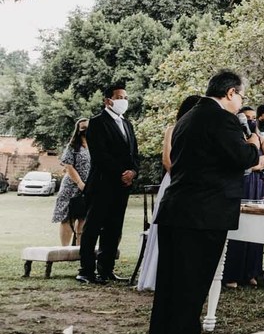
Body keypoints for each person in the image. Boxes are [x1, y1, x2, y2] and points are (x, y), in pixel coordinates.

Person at [147, 70, 264, 334]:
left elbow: (209, 162)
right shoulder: (221, 118)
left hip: (178, 210)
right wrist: (253, 145)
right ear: (230, 93)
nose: (240, 103)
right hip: (203, 214)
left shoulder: (189, 116)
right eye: (240, 96)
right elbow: (241, 157)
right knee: (192, 285)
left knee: (171, 284)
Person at [138, 95, 204, 292]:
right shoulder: (172, 130)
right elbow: (167, 160)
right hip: (175, 180)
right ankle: (157, 276)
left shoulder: (202, 132)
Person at [77, 82, 140, 285]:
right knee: (93, 228)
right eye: (119, 97)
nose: (123, 101)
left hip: (122, 187)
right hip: (103, 183)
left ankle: (106, 269)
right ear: (108, 100)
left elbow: (134, 154)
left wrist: (133, 172)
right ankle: (86, 270)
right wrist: (120, 173)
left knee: (114, 229)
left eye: (125, 98)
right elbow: (100, 155)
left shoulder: (127, 124)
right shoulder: (97, 122)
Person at [223, 101, 264, 289]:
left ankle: (251, 272)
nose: (251, 121)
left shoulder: (258, 137)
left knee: (255, 229)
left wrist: (259, 162)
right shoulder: (235, 137)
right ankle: (232, 273)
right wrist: (255, 164)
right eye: (247, 118)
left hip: (257, 184)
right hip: (241, 183)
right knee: (238, 228)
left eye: (253, 118)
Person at [53, 119, 91, 245]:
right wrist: (80, 184)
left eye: (88, 127)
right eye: (83, 128)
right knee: (68, 218)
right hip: (71, 187)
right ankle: (64, 249)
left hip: (88, 188)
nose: (86, 130)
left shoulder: (97, 146)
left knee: (84, 218)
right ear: (78, 130)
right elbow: (68, 166)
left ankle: (80, 249)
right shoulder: (73, 146)